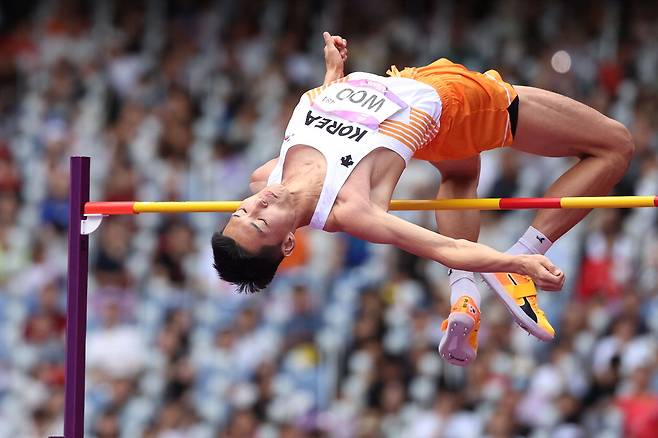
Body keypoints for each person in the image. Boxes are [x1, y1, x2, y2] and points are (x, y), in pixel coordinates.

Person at [212, 32, 633, 366]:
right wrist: (517, 261)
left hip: (417, 98)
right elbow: (443, 246)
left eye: (244, 210)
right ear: (289, 243)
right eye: (261, 222)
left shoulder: (268, 176)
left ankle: (464, 294)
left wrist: (333, 78)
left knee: (461, 175)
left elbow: (334, 128)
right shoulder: (352, 209)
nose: (259, 204)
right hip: (459, 106)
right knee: (614, 145)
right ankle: (528, 249)